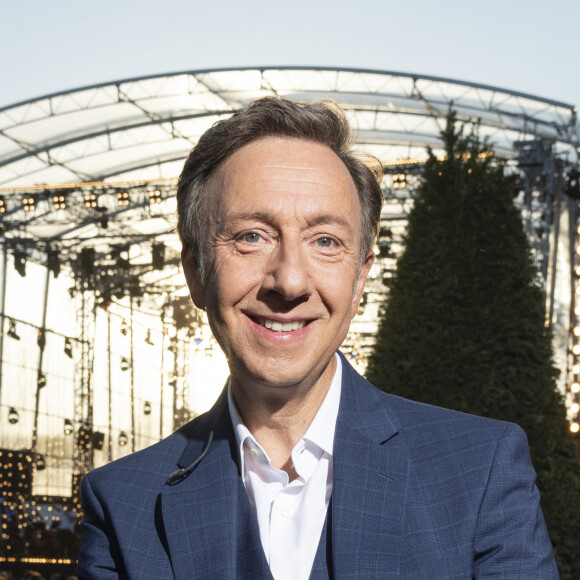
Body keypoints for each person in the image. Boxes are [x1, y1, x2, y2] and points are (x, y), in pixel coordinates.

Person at [78, 97, 558, 579]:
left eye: (325, 241)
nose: (289, 282)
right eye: (251, 236)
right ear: (196, 274)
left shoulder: (479, 472)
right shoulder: (123, 504)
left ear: (360, 278)